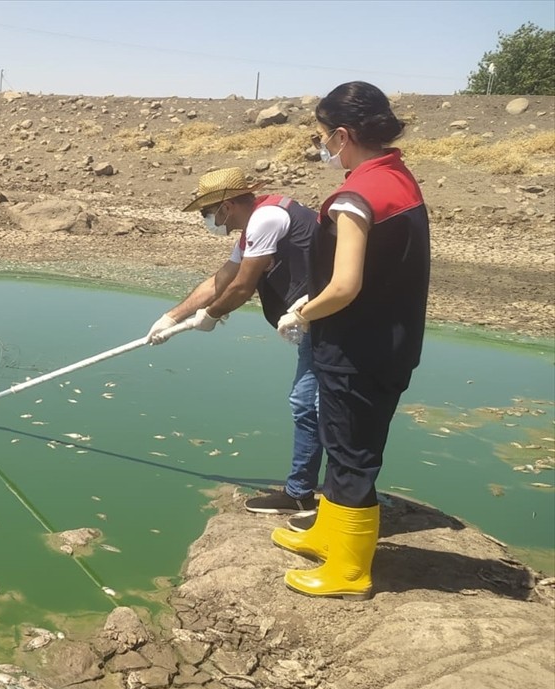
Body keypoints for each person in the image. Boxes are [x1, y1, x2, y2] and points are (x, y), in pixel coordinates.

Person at [270, 81, 430, 600]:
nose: (320, 146)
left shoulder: (357, 196)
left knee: (352, 456)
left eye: (322, 136)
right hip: (389, 339)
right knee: (344, 442)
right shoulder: (395, 176)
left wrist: (302, 312)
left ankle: (349, 570)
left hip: (359, 348)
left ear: (341, 134)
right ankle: (329, 533)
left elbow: (344, 285)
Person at [147, 167, 322, 518]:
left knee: (315, 406)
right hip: (311, 323)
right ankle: (302, 492)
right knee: (307, 404)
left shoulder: (267, 219)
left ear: (226, 206)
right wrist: (172, 317)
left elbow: (241, 287)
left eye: (207, 212)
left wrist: (211, 316)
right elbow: (221, 280)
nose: (208, 219)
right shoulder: (254, 228)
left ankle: (330, 500)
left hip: (329, 322)